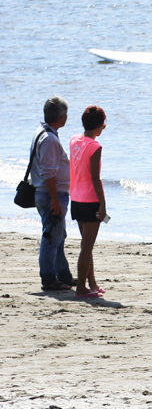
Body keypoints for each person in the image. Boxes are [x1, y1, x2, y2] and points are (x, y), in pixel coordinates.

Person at [31, 97, 75, 292]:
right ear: (61, 117)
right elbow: (48, 173)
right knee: (51, 237)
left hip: (48, 194)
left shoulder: (43, 133)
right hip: (51, 195)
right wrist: (55, 200)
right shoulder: (49, 138)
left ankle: (63, 274)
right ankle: (49, 278)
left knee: (58, 236)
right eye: (65, 114)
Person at [69, 106, 108, 300]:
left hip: (75, 198)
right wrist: (103, 205)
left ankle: (91, 284)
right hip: (90, 199)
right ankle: (81, 288)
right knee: (87, 247)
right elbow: (95, 178)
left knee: (87, 245)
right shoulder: (95, 147)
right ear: (100, 126)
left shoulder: (74, 140)